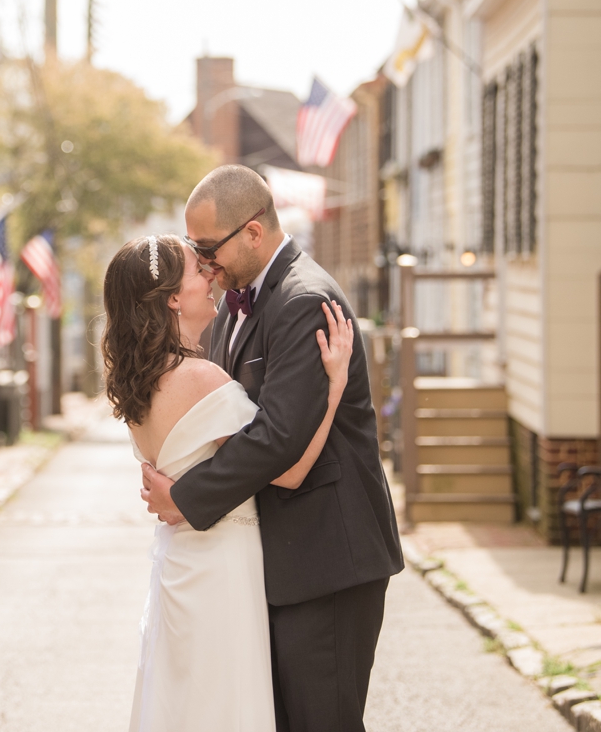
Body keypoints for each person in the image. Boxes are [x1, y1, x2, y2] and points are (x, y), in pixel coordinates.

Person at [140, 164, 404, 732]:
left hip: (326, 559)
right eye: (194, 249)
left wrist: (188, 496)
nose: (204, 263)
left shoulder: (303, 301)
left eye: (209, 248)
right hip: (283, 562)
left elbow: (278, 438)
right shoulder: (245, 305)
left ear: (254, 232)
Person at [102, 232, 353, 732]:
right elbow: (290, 468)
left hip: (176, 559)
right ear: (174, 297)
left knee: (186, 703)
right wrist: (334, 388)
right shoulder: (200, 379)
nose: (211, 275)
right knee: (225, 705)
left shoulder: (139, 383)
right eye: (198, 270)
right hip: (220, 566)